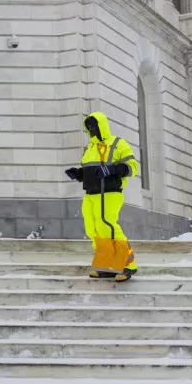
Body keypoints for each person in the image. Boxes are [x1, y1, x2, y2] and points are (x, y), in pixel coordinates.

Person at [65, 111, 140, 281]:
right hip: (91, 193)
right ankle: (107, 266)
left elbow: (132, 167)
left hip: (110, 192)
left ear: (102, 126)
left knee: (107, 225)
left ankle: (128, 265)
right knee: (93, 229)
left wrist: (113, 169)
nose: (91, 130)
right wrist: (79, 174)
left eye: (94, 126)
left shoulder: (117, 144)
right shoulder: (89, 148)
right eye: (89, 127)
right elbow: (92, 171)